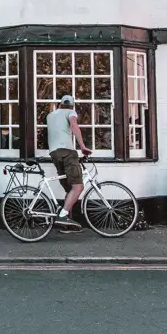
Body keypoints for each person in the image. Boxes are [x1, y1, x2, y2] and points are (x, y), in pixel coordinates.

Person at [46, 94, 93, 232]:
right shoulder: (71, 112)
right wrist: (83, 147)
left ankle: (68, 225)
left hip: (54, 153)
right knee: (78, 187)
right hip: (67, 152)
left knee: (70, 189)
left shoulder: (50, 115)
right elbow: (73, 125)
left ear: (60, 104)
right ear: (72, 106)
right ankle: (63, 216)